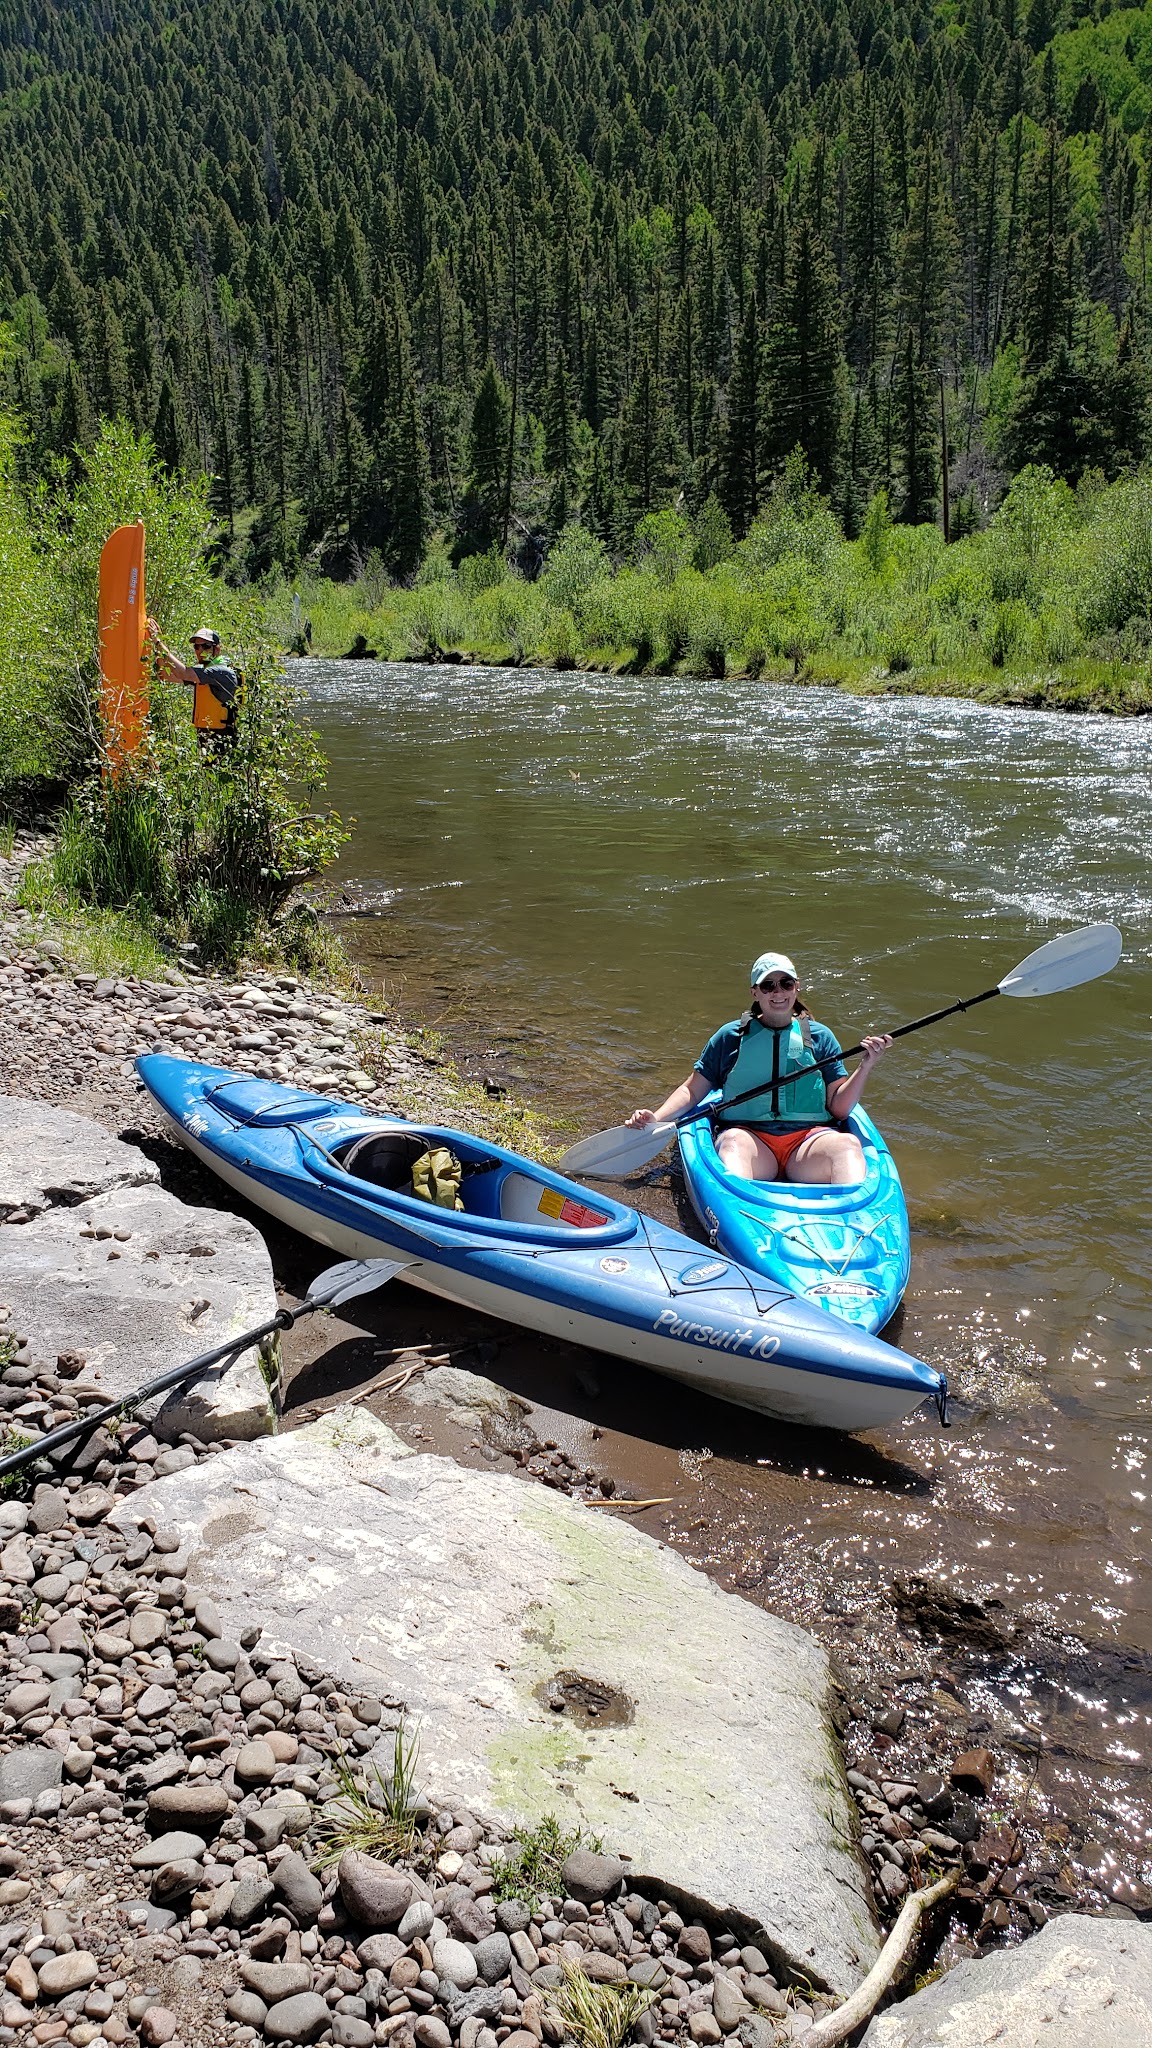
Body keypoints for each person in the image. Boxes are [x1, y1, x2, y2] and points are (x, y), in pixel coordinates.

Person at [625, 950, 893, 1184]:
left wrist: (866, 1065)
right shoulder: (730, 1037)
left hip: (808, 1144)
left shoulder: (820, 1037)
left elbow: (840, 1109)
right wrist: (657, 1118)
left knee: (847, 1145)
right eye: (768, 985)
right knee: (731, 1143)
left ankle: (854, 1220)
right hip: (750, 1140)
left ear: (796, 987)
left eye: (786, 983)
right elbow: (692, 1091)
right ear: (755, 992)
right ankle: (738, 1212)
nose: (778, 992)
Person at [149, 621, 241, 743]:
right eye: (197, 647)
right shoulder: (203, 672)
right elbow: (165, 675)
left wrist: (158, 642)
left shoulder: (221, 671)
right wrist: (158, 648)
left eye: (206, 646)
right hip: (206, 736)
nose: (200, 651)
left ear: (217, 649)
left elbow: (183, 673)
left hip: (221, 739)